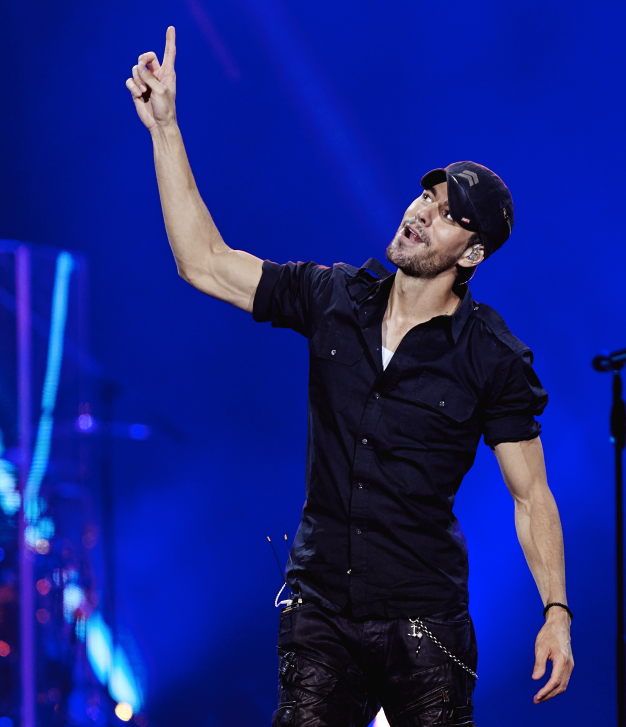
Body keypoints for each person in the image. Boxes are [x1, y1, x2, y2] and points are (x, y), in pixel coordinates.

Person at [125, 27, 574, 727]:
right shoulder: (332, 297)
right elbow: (204, 261)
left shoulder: (491, 355)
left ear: (473, 252)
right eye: (426, 197)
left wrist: (556, 611)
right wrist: (165, 128)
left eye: (448, 215)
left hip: (425, 627)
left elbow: (531, 494)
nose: (422, 214)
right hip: (321, 613)